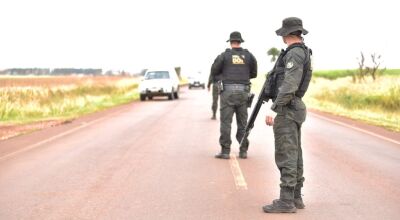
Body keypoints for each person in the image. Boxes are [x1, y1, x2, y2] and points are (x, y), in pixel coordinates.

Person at [263, 17, 312, 213]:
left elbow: (290, 85)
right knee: (294, 153)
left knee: (286, 154)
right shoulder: (301, 52)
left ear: (286, 35)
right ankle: (296, 197)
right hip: (294, 107)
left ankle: (286, 201)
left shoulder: (295, 54)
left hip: (287, 108)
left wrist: (274, 107)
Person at [210, 31, 258, 159]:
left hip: (227, 93)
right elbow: (254, 74)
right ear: (240, 42)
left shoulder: (224, 56)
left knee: (226, 123)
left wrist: (224, 76)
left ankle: (225, 151)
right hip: (243, 92)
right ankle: (243, 151)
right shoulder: (249, 56)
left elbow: (214, 71)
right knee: (243, 123)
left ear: (230, 42)